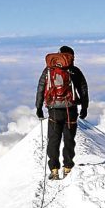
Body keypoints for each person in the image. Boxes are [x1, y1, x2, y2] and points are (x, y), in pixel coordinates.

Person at [36, 45, 89, 180]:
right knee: (69, 139)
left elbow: (41, 88)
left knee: (54, 139)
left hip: (53, 110)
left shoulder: (48, 70)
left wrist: (38, 107)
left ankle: (54, 170)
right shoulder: (74, 71)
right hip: (70, 109)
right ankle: (68, 168)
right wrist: (84, 107)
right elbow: (83, 89)